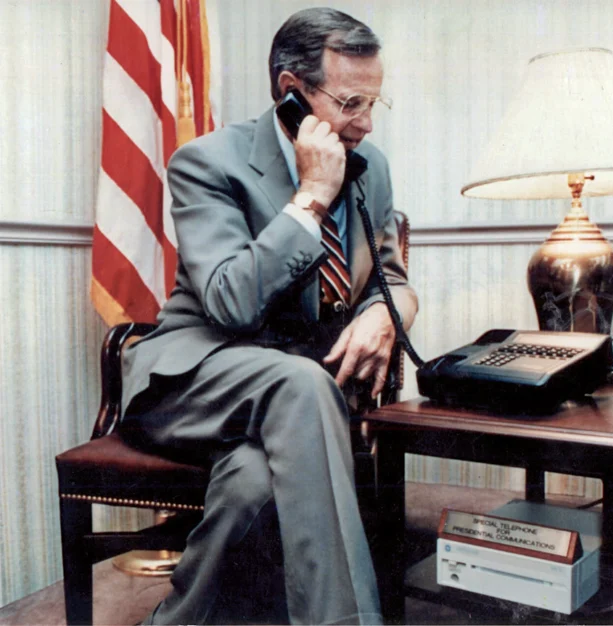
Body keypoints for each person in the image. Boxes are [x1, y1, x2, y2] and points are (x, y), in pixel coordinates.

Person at [118, 7, 417, 625]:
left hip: (299, 404)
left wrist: (388, 317)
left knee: (252, 481)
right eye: (350, 103)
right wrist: (311, 198)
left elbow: (390, 279)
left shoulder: (373, 168)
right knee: (299, 382)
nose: (365, 123)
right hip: (196, 382)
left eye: (374, 104)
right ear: (291, 92)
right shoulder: (207, 162)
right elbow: (230, 301)